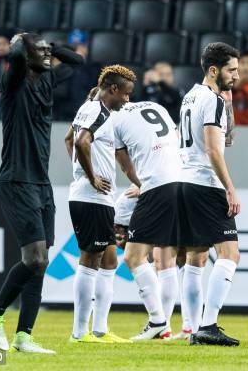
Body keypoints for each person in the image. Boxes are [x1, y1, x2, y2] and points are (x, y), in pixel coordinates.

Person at [0, 32, 84, 354]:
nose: (47, 55)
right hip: (16, 180)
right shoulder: (13, 84)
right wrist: (20, 44)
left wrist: (47, 48)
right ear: (24, 56)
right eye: (38, 50)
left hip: (42, 183)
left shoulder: (47, 79)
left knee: (42, 263)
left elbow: (77, 61)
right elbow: (12, 58)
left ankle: (24, 336)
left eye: (47, 50)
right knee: (35, 258)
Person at [63, 65, 135, 344]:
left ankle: (101, 330)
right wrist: (90, 176)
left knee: (109, 258)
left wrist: (80, 171)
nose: (127, 100)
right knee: (90, 258)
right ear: (113, 89)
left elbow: (69, 139)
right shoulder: (99, 111)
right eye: (126, 94)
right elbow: (81, 141)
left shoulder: (88, 107)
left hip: (96, 197)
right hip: (91, 197)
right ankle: (80, 333)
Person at [178, 42, 240, 346]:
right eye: (231, 70)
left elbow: (221, 141)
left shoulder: (190, 96)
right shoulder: (211, 100)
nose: (237, 76)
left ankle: (193, 329)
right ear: (213, 70)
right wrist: (230, 188)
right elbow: (217, 149)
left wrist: (227, 105)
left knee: (197, 256)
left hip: (186, 181)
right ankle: (209, 324)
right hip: (206, 183)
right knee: (229, 254)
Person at [111, 98, 183, 341]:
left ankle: (157, 321)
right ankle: (168, 326)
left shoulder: (114, 119)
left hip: (157, 185)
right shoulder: (156, 105)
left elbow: (127, 169)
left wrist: (142, 184)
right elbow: (177, 137)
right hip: (181, 180)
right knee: (165, 258)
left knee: (133, 256)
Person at [53, 30, 101, 121]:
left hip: (87, 118)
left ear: (86, 48)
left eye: (80, 47)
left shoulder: (96, 69)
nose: (76, 51)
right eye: (73, 48)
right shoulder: (62, 68)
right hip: (62, 118)